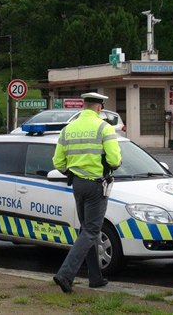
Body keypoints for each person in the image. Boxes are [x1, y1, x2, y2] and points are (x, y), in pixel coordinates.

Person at [51, 93, 122, 293]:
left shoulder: (68, 129)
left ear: (84, 106)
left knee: (87, 230)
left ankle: (95, 277)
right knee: (91, 230)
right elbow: (115, 160)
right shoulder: (104, 128)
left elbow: (58, 162)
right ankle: (65, 275)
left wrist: (72, 172)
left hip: (77, 185)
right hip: (96, 186)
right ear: (99, 108)